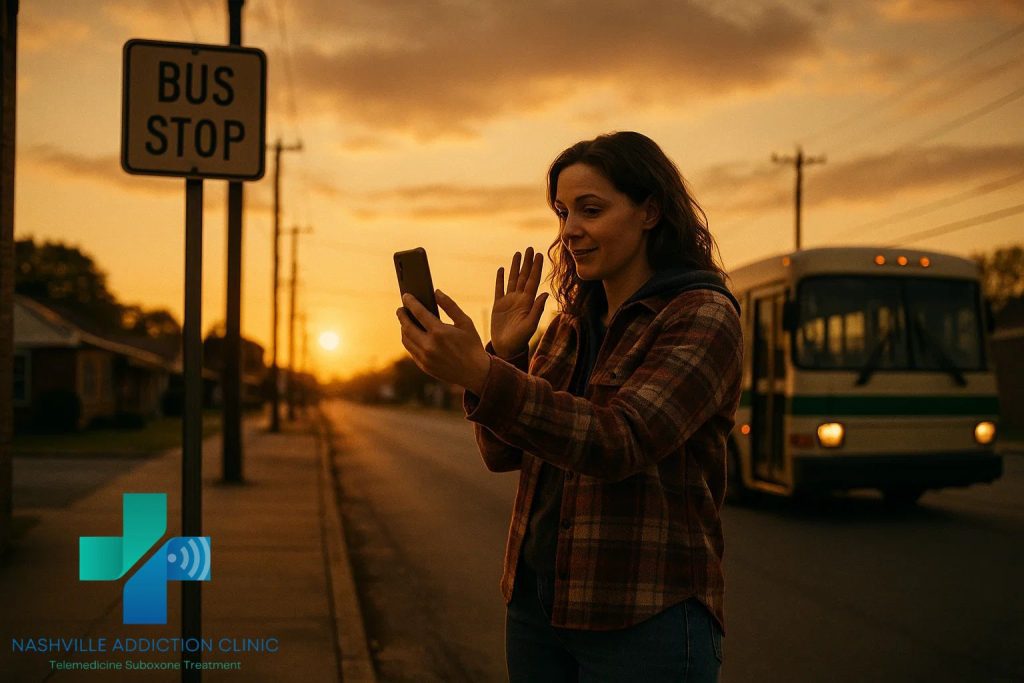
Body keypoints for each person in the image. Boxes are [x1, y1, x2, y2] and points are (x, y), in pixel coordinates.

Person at [396, 131, 742, 682]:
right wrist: (504, 354)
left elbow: (618, 441)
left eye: (591, 209)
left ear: (650, 211)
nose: (570, 230)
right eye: (562, 212)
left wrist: (481, 373)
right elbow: (502, 450)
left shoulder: (701, 315)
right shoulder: (568, 326)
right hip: (538, 608)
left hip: (643, 616)